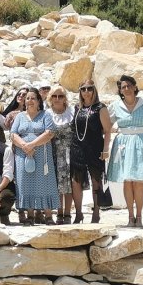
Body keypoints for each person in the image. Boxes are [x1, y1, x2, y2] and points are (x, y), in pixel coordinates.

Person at [106, 75, 143, 228]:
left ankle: (140, 216)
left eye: (129, 86)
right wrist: (117, 130)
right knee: (127, 181)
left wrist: (142, 130)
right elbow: (107, 123)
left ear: (135, 87)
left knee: (138, 181)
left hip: (140, 142)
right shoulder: (116, 106)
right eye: (123, 87)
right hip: (123, 144)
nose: (127, 89)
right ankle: (130, 216)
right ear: (120, 90)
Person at [10, 88, 56, 225]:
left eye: (33, 98)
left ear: (38, 101)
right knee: (25, 183)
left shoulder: (45, 115)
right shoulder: (19, 116)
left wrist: (32, 145)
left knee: (44, 183)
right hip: (23, 154)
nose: (29, 101)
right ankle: (30, 215)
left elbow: (50, 133)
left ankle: (48, 215)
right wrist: (24, 145)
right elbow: (13, 135)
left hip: (41, 154)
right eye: (27, 98)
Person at [72, 81, 111, 224]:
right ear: (80, 91)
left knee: (96, 179)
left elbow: (107, 131)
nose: (86, 91)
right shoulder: (77, 108)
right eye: (83, 89)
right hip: (77, 147)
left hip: (95, 147)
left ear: (94, 90)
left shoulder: (100, 108)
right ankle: (78, 213)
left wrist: (106, 149)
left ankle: (96, 212)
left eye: (89, 89)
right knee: (75, 180)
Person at [44, 85, 78, 223]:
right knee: (57, 184)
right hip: (53, 153)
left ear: (65, 99)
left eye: (61, 96)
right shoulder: (47, 114)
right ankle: (58, 212)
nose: (57, 99)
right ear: (50, 99)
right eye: (54, 96)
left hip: (70, 152)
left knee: (68, 183)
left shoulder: (72, 112)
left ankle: (68, 213)